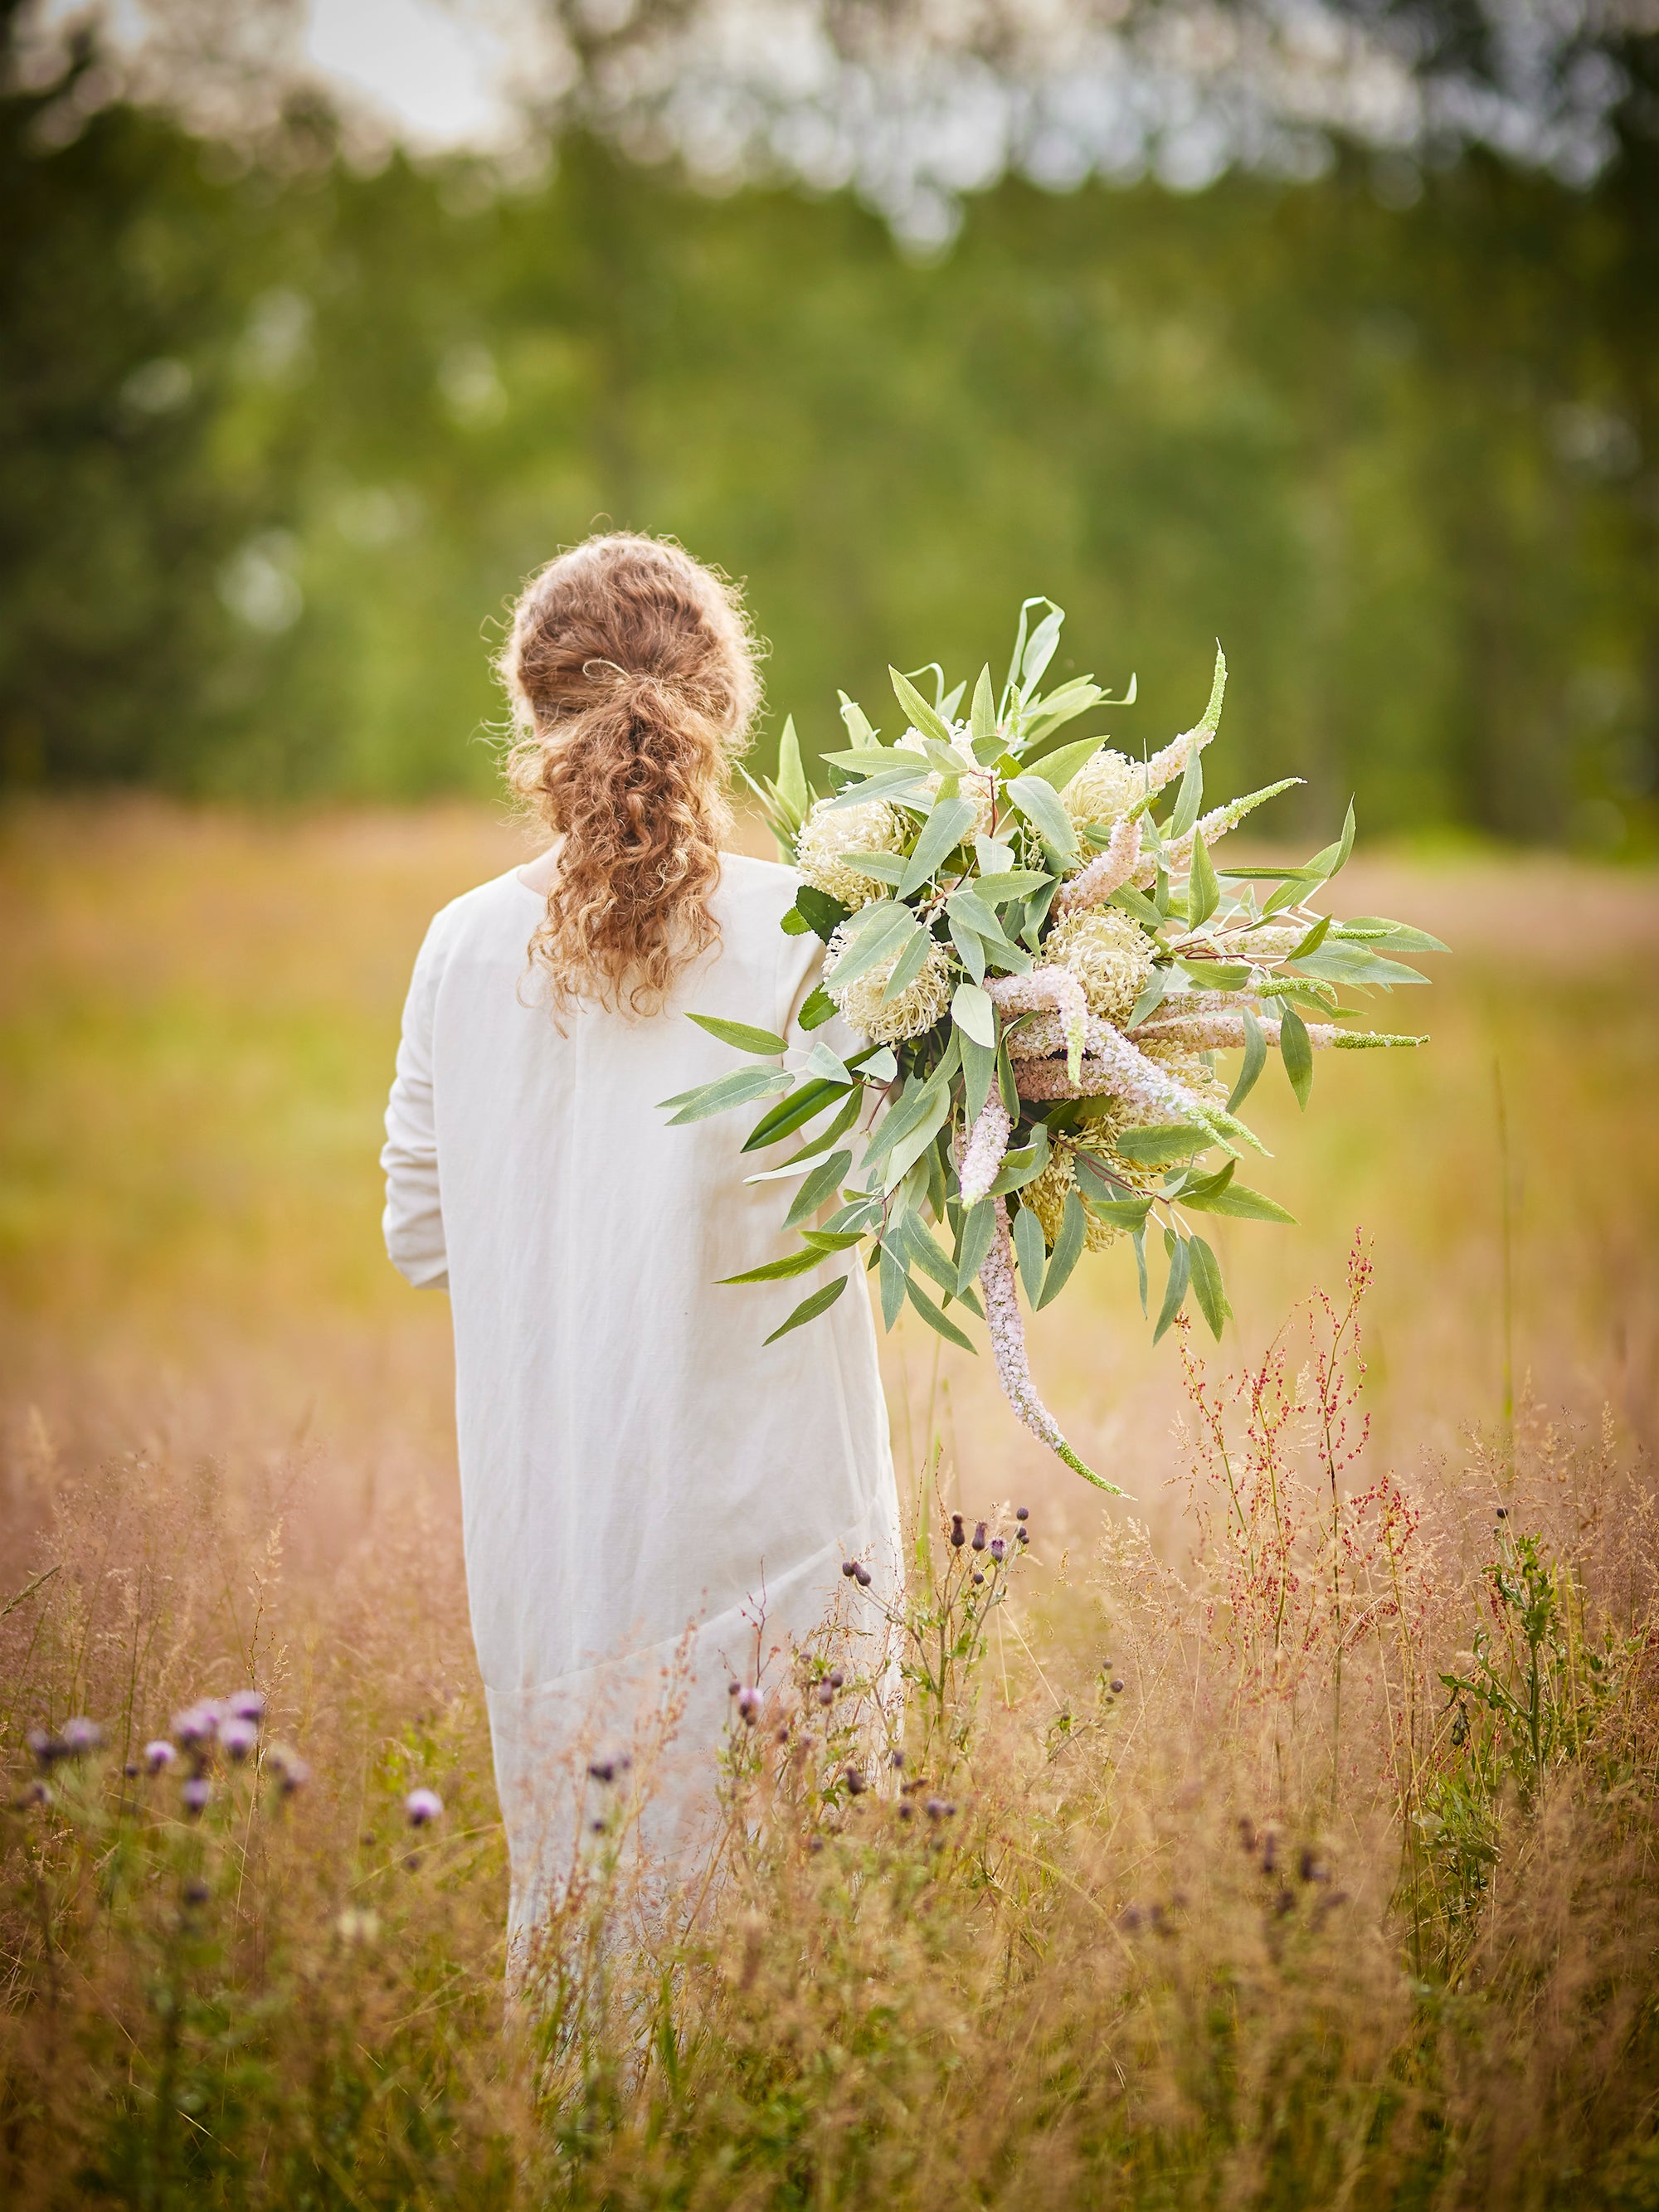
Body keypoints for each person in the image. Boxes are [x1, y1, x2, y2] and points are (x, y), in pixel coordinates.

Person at [381, 532, 901, 1962]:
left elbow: (420, 1234)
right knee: (801, 1935)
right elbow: (889, 1196)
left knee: (592, 1927)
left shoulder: (459, 948)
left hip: (560, 1532)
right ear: (728, 704)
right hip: (777, 1520)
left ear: (531, 718)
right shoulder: (819, 931)